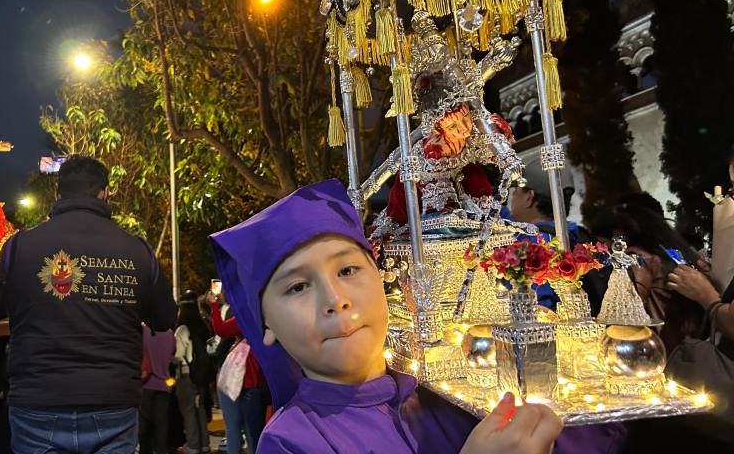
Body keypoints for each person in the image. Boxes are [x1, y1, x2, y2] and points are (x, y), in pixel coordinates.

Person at [211, 179, 627, 454]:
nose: (335, 299)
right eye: (298, 286)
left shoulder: (451, 394)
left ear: (382, 279)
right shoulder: (292, 441)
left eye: (348, 270)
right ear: (265, 325)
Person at [0, 155, 177, 453]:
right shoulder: (136, 250)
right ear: (104, 192)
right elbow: (165, 318)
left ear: (58, 193)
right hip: (112, 402)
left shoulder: (19, 246)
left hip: (38, 402)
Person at [588, 203, 707, 353]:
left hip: (652, 348)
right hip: (683, 346)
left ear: (617, 235)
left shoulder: (637, 258)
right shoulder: (673, 255)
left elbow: (628, 311)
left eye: (602, 243)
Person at [506, 165, 609, 313]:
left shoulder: (535, 242)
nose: (513, 198)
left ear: (529, 197)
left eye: (516, 192)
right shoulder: (579, 234)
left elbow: (539, 308)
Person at [207, 287, 268, 454]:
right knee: (253, 429)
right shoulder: (268, 316)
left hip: (246, 380)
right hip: (261, 380)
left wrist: (213, 305)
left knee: (236, 426)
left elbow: (221, 329)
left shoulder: (246, 317)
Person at [174, 291, 211, 454]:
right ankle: (204, 444)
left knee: (188, 410)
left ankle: (193, 445)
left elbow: (177, 355)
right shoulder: (203, 326)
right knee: (199, 408)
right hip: (201, 375)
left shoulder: (182, 329)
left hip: (187, 375)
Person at [139, 324, 175, 454]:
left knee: (144, 423)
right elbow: (172, 356)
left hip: (146, 383)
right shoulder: (170, 333)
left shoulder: (143, 331)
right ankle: (161, 450)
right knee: (161, 423)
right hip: (164, 384)